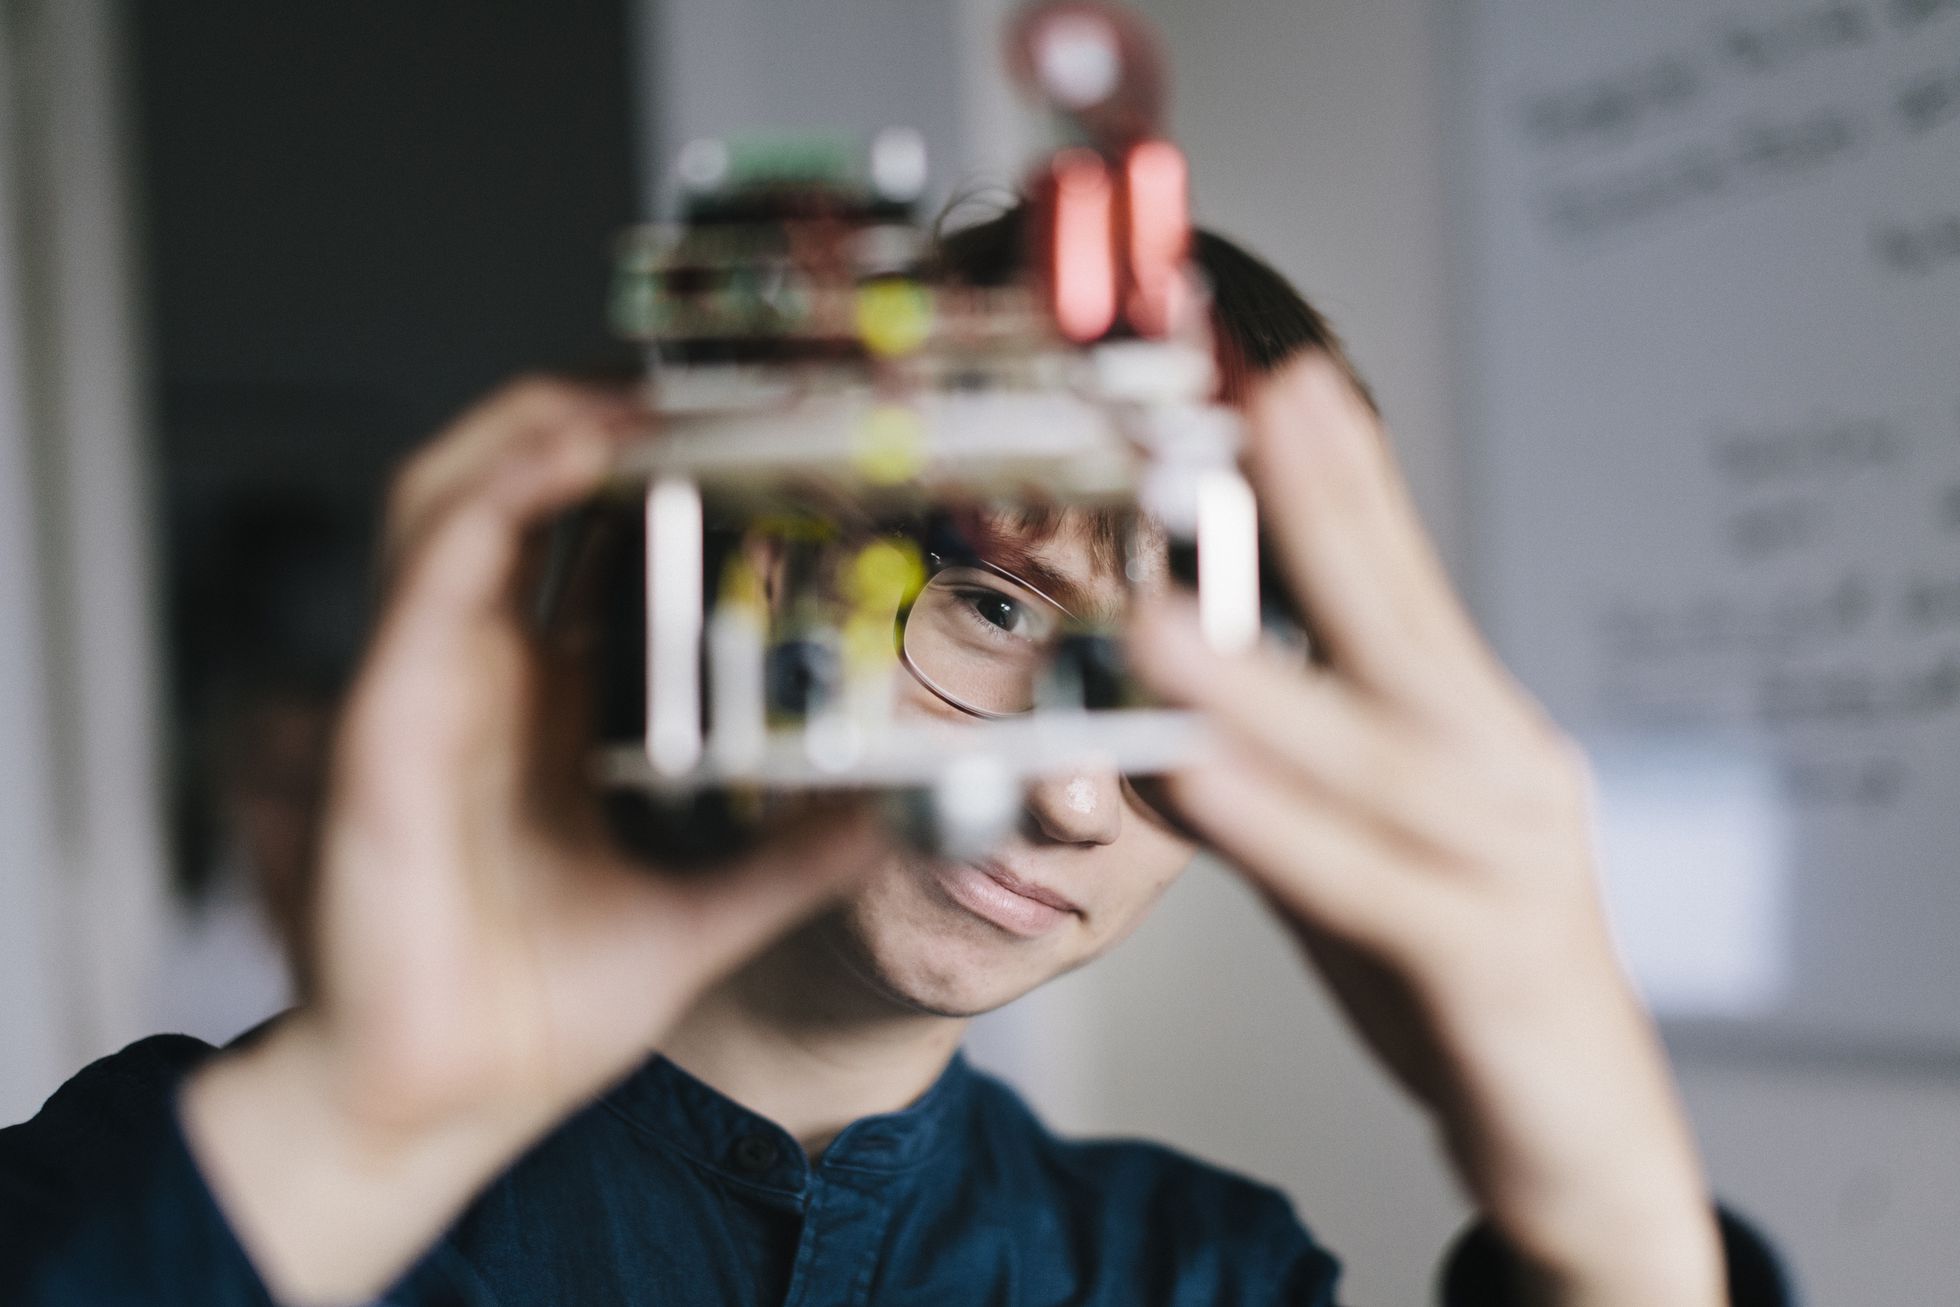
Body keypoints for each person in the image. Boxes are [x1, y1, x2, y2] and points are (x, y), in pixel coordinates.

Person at [0, 213, 1790, 1306]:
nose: (1076, 794)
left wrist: (1622, 1247)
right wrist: (345, 1146)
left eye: (1180, 694)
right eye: (995, 611)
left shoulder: (1203, 1280)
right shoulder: (203, 1182)